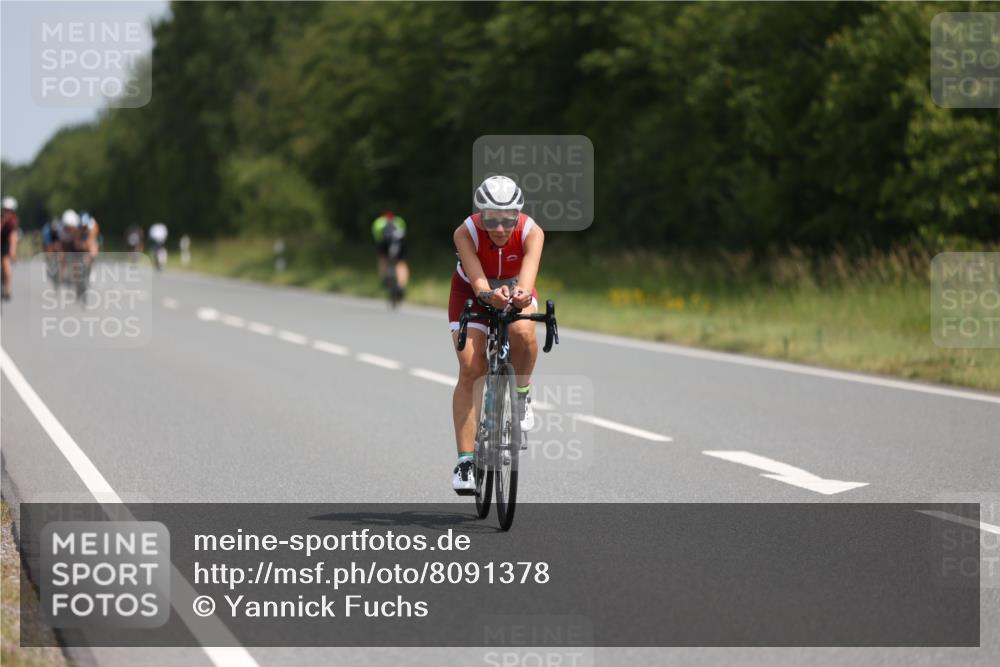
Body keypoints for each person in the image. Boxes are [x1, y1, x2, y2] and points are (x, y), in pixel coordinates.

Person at [448, 176, 544, 493]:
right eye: (491, 218)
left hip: (515, 286)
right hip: (472, 292)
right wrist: (490, 295)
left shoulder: (532, 233)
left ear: (518, 214)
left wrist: (520, 297)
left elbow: (527, 286)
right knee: (471, 368)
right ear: (481, 214)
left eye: (507, 219)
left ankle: (521, 395)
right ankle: (465, 461)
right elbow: (478, 283)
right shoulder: (466, 232)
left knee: (523, 332)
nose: (500, 228)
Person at [371, 210, 409, 296]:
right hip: (400, 243)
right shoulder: (399, 221)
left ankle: (385, 278)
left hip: (384, 243)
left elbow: (377, 238)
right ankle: (401, 285)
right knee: (401, 263)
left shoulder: (378, 222)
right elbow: (404, 233)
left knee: (382, 258)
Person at [1, 196, 20, 301]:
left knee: (6, 263)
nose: (7, 212)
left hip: (6, 243)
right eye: (5, 210)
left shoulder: (13, 220)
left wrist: (12, 252)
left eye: (9, 210)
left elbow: (13, 236)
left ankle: (7, 290)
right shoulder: (1, 217)